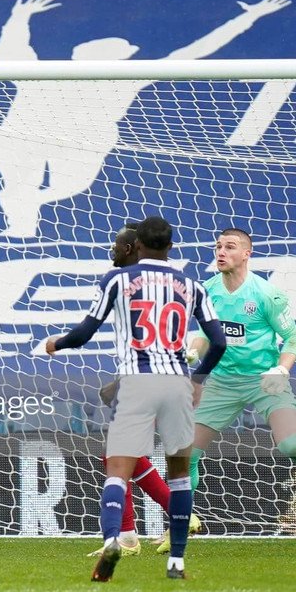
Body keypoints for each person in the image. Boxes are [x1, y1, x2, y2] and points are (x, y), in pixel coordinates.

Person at [0, 0, 291, 238]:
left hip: (83, 141)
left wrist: (248, 17)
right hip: (28, 135)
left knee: (62, 187)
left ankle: (28, 206)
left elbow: (193, 52)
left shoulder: (126, 78)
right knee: (22, 180)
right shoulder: (49, 76)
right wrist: (18, 18)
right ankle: (21, 226)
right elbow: (11, 53)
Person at [45, 216, 227, 581]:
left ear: (137, 245)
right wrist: (200, 380)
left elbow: (84, 332)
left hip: (137, 381)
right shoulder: (192, 285)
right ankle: (176, 562)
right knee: (179, 476)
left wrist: (56, 343)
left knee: (117, 468)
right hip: (177, 384)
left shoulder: (117, 280)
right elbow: (219, 342)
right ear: (170, 248)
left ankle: (116, 537)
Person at [187, 228, 296, 535]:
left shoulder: (266, 294)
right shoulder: (208, 290)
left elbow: (292, 339)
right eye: (218, 246)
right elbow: (207, 334)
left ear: (246, 254)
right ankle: (182, 519)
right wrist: (194, 351)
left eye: (229, 247)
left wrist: (281, 370)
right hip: (223, 381)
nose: (221, 252)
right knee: (185, 451)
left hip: (267, 381)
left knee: (293, 444)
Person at [88, 223, 202, 558]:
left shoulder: (136, 286)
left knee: (118, 458)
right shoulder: (139, 286)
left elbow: (156, 348)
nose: (113, 249)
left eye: (118, 243)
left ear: (133, 248)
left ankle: (129, 534)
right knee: (128, 458)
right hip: (150, 383)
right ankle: (132, 532)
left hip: (157, 386)